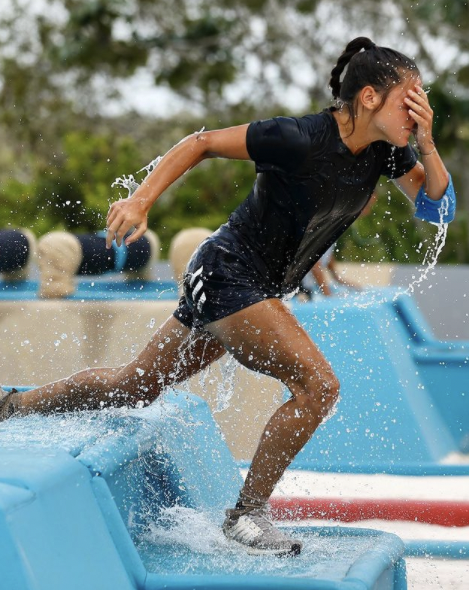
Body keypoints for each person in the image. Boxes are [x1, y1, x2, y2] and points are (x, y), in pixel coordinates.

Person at [0, 37, 456, 557]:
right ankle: (246, 516)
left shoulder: (388, 154)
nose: (420, 111)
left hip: (250, 285)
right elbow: (203, 142)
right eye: (411, 98)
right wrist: (141, 200)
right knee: (318, 386)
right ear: (370, 97)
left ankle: (12, 407)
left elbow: (438, 209)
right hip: (227, 273)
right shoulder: (298, 137)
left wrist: (428, 146)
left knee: (134, 386)